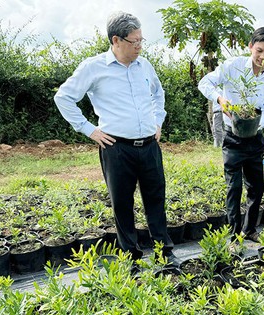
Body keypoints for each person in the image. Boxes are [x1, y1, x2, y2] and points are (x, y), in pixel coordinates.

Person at [54, 11, 179, 265]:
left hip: (149, 145)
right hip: (116, 147)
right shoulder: (94, 67)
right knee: (122, 204)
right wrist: (89, 129)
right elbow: (63, 97)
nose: (139, 47)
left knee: (156, 199)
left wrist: (158, 121)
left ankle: (164, 253)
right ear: (116, 40)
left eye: (142, 40)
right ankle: (131, 257)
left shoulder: (145, 65)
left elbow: (159, 93)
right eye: (134, 42)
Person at [198, 27, 264, 242]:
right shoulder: (233, 66)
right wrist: (219, 99)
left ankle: (250, 229)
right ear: (250, 46)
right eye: (259, 50)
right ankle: (234, 236)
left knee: (257, 187)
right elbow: (204, 83)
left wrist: (252, 124)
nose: (262, 57)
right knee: (233, 188)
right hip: (232, 137)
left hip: (254, 139)